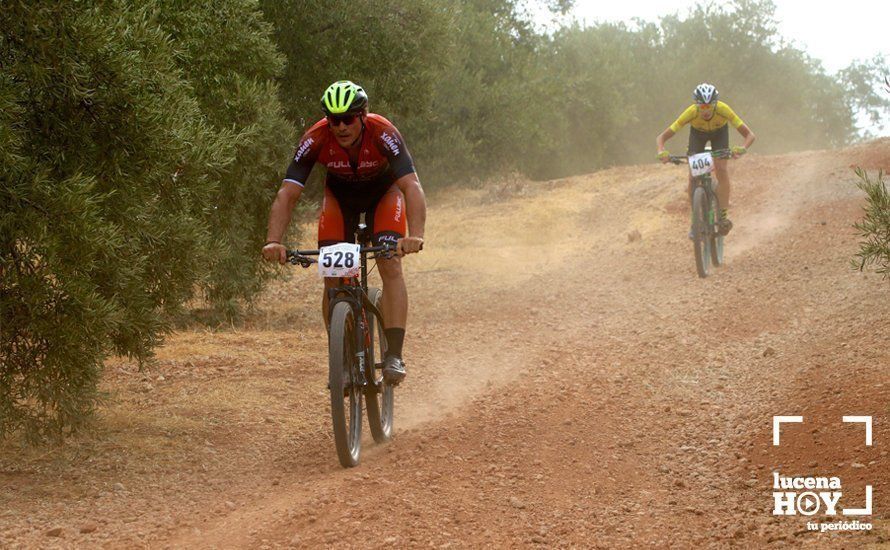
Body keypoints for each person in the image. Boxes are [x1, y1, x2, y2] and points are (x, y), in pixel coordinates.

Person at [262, 80, 426, 385]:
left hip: (383, 195)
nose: (340, 126)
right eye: (333, 119)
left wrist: (414, 235)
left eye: (348, 118)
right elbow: (287, 194)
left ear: (363, 115)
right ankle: (342, 356)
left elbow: (411, 186)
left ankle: (394, 355)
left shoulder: (383, 132)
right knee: (334, 277)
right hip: (340, 199)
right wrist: (274, 240)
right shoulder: (316, 138)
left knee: (389, 262)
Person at [656, 83, 755, 236]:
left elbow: (750, 135)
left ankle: (722, 217)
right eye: (702, 107)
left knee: (721, 170)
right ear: (697, 106)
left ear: (715, 105)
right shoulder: (691, 112)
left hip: (719, 135)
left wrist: (742, 148)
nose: (706, 111)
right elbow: (661, 137)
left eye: (710, 107)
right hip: (698, 136)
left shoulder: (723, 109)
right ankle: (695, 221)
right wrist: (661, 151)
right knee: (693, 178)